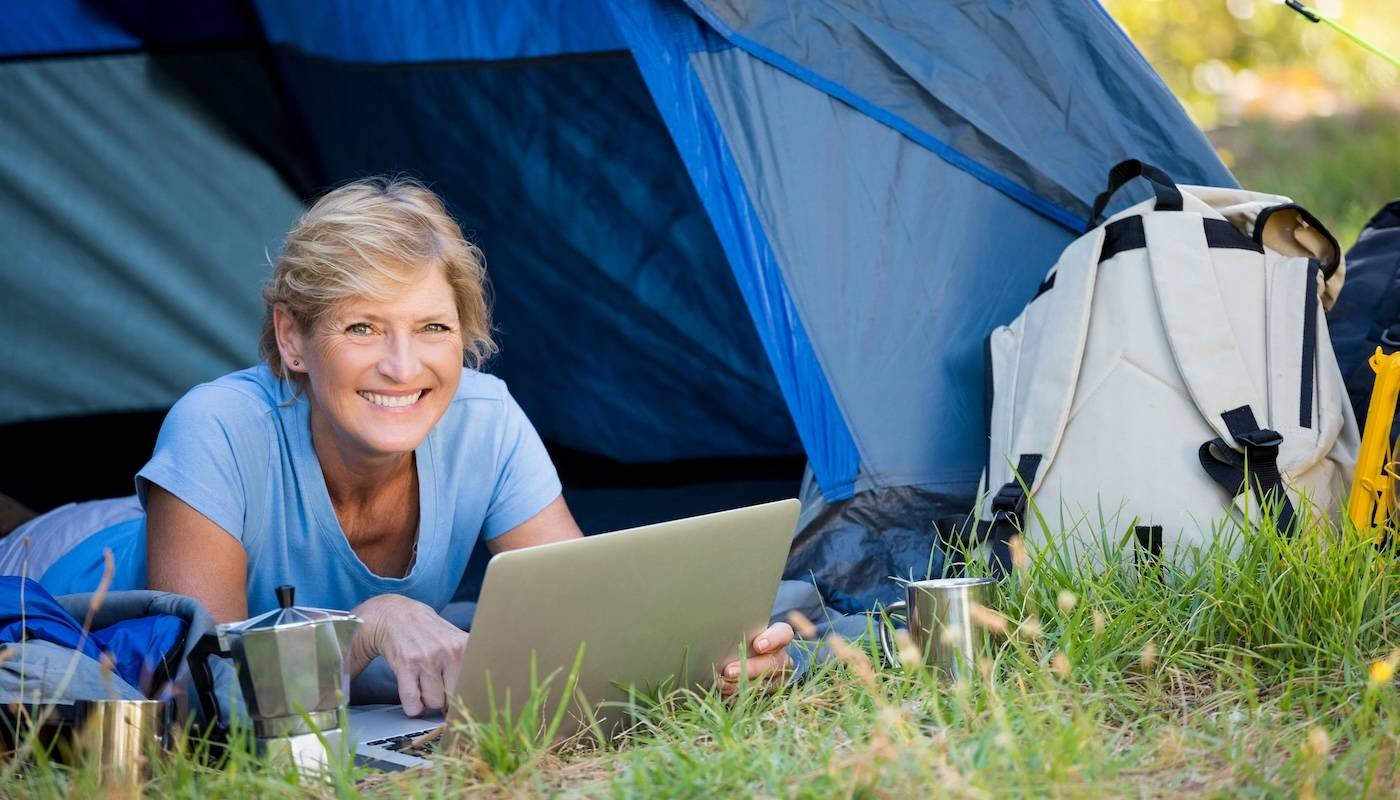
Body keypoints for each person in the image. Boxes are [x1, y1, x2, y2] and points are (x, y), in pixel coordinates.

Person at [3, 177, 793, 716]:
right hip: (72, 563)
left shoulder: (485, 420)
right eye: (362, 327)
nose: (403, 366)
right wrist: (370, 621)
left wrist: (718, 661)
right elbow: (203, 692)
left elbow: (590, 618)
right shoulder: (216, 426)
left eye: (433, 328)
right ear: (293, 339)